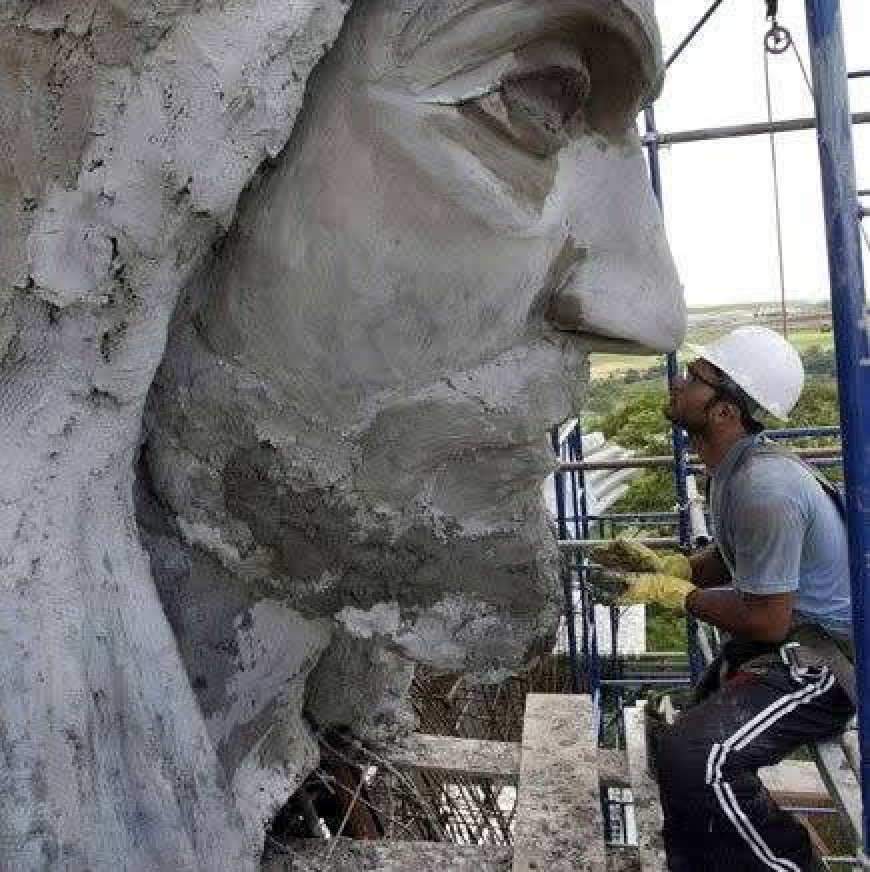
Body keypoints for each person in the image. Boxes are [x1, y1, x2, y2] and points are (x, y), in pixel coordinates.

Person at [594, 325, 853, 872]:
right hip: (795, 644)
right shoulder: (737, 471)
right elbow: (734, 553)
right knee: (679, 745)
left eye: (694, 377)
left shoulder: (765, 489)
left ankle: (789, 863)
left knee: (698, 759)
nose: (678, 384)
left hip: (827, 666)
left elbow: (764, 619)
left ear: (723, 412)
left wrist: (680, 596)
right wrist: (681, 566)